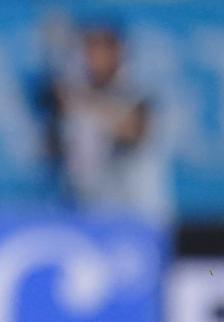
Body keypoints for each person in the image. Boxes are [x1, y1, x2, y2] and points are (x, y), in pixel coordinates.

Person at [42, 21, 172, 225]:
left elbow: (133, 130)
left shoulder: (139, 93)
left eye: (100, 50)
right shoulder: (72, 102)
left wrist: (76, 101)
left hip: (138, 216)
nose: (92, 58)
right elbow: (53, 153)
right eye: (88, 50)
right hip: (90, 215)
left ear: (118, 53)